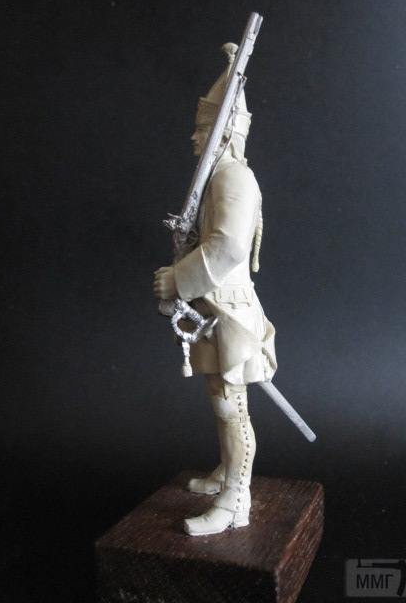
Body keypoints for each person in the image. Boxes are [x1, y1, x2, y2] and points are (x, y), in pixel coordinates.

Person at [153, 44, 277, 536]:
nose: (194, 136)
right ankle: (228, 471)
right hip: (213, 308)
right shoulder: (218, 180)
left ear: (224, 133)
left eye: (202, 130)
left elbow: (227, 248)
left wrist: (177, 277)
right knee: (220, 400)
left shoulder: (233, 178)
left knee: (231, 405)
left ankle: (235, 499)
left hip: (230, 310)